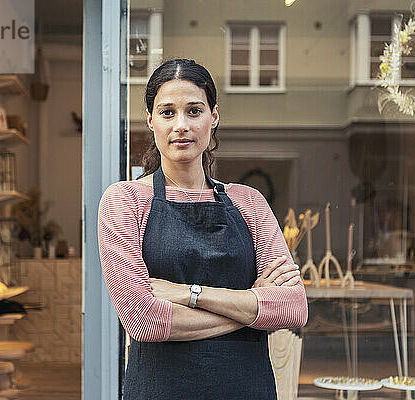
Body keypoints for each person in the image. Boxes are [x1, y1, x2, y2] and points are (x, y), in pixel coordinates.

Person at [98, 58, 308, 400]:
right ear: (150, 120)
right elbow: (143, 320)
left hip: (246, 389)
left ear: (214, 117)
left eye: (194, 111)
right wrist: (253, 308)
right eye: (167, 112)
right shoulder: (125, 201)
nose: (181, 124)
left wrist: (188, 294)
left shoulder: (249, 202)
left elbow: (294, 308)